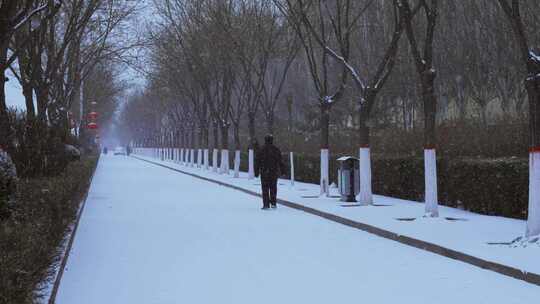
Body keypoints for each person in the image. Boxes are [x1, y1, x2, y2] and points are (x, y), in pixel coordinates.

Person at [255, 134, 286, 210]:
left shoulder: (261, 150)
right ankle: (273, 203)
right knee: (273, 188)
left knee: (265, 188)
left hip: (264, 172)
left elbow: (257, 162)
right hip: (274, 172)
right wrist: (283, 171)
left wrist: (256, 172)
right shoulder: (276, 150)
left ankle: (266, 204)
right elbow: (280, 161)